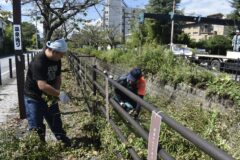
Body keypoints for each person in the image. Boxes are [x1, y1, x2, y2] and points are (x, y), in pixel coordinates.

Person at [24, 38, 71, 146]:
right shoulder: (39, 61)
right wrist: (59, 94)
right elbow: (42, 85)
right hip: (33, 97)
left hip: (49, 95)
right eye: (61, 54)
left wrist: (56, 92)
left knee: (55, 119)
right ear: (54, 51)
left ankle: (61, 139)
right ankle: (40, 147)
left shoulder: (56, 60)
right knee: (36, 126)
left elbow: (58, 77)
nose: (62, 57)